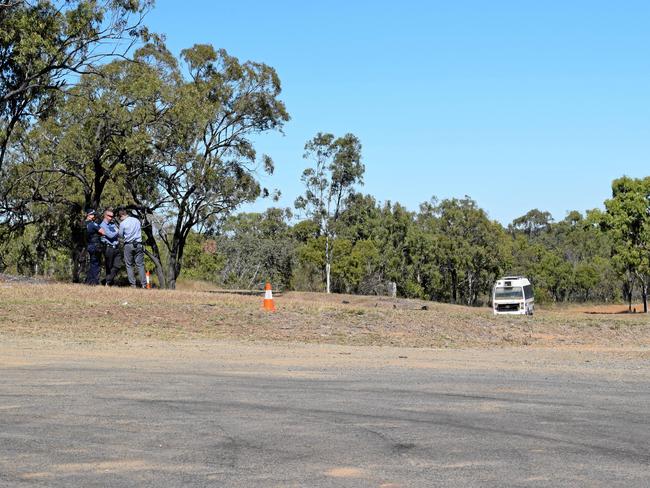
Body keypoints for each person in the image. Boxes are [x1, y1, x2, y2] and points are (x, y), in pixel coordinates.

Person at [117, 208, 147, 288]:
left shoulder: (123, 224)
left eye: (120, 217)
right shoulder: (136, 220)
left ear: (122, 215)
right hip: (138, 244)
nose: (120, 219)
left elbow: (120, 235)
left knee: (129, 265)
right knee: (140, 265)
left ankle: (133, 284)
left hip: (128, 245)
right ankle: (144, 284)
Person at [100, 208, 121, 286]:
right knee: (109, 267)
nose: (111, 218)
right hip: (108, 248)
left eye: (112, 216)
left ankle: (106, 281)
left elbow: (118, 233)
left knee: (117, 266)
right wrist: (117, 231)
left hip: (116, 247)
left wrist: (117, 231)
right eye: (110, 216)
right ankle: (108, 283)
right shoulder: (102, 225)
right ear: (105, 216)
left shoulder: (112, 224)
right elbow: (110, 235)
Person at [84, 210, 103, 285]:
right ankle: (94, 282)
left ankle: (88, 281)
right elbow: (103, 232)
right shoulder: (93, 224)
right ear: (89, 215)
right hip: (95, 245)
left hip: (88, 245)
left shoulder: (84, 224)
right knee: (96, 264)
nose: (94, 216)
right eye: (93, 215)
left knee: (92, 263)